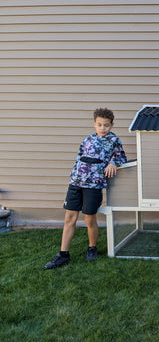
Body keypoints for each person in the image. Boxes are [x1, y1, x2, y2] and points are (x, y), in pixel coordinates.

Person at [45, 108, 127, 269]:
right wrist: (74, 175)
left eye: (106, 125)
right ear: (94, 124)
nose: (102, 128)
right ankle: (63, 255)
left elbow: (121, 156)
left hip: (94, 185)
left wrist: (112, 163)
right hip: (76, 183)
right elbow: (79, 158)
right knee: (69, 218)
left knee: (89, 218)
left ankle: (92, 248)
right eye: (99, 125)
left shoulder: (113, 140)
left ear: (112, 125)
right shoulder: (87, 140)